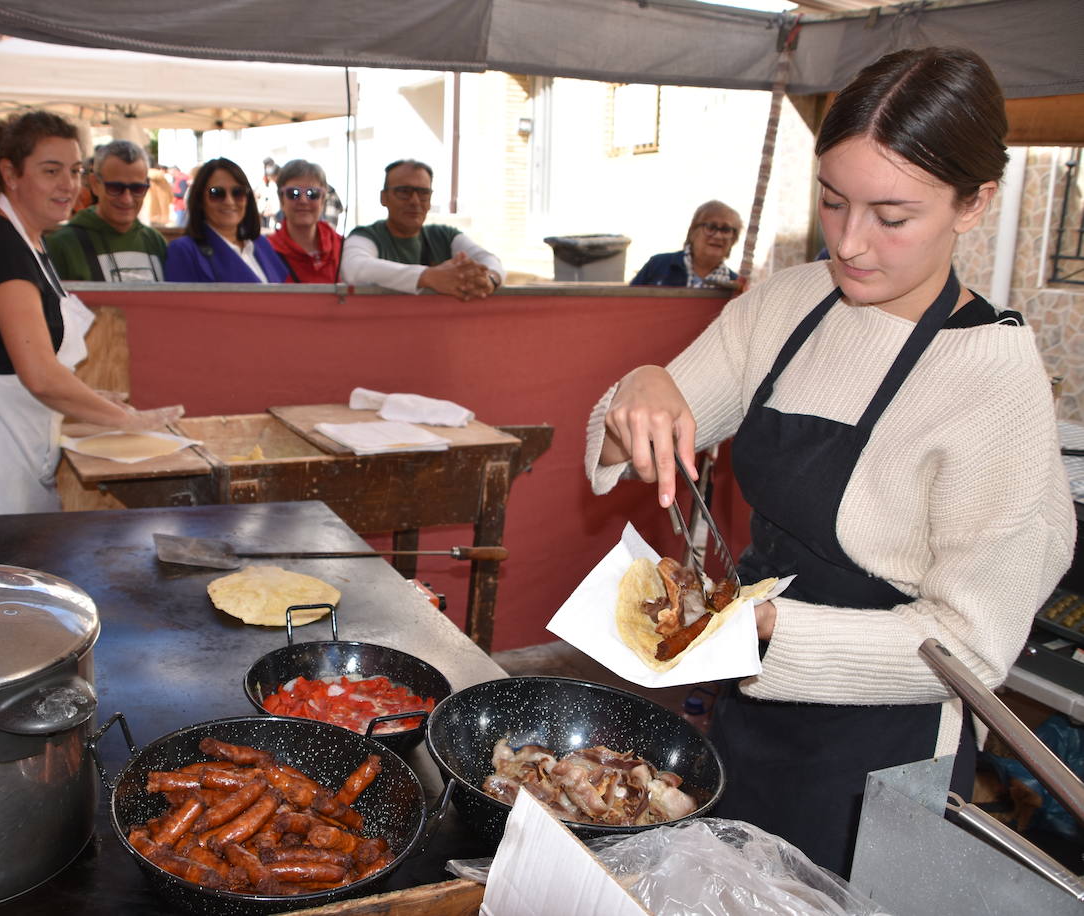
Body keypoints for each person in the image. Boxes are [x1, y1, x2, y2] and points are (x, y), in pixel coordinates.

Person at [584, 47, 1073, 876]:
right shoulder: (789, 302)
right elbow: (630, 446)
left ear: (975, 202)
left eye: (892, 216)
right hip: (753, 709)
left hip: (884, 750)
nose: (849, 244)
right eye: (833, 201)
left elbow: (971, 648)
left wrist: (764, 625)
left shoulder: (993, 379)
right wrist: (641, 387)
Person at [0, 111, 182, 516]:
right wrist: (126, 421)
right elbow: (41, 376)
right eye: (51, 171)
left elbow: (22, 360)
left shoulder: (28, 239)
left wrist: (92, 398)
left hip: (12, 433)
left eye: (76, 170)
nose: (68, 184)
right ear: (10, 173)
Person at [340, 159, 503, 300]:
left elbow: (489, 260)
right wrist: (428, 277)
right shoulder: (366, 236)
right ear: (384, 198)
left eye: (423, 193)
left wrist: (488, 279)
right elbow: (354, 268)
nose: (415, 201)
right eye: (404, 192)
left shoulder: (445, 236)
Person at [45, 140, 166, 282]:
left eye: (137, 189)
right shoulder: (62, 245)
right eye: (115, 188)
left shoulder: (155, 241)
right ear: (95, 184)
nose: (126, 199)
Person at [163, 157, 290, 283]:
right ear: (200, 200)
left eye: (238, 192)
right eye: (216, 193)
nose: (229, 201)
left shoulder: (261, 244)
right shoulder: (184, 252)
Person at [630, 201, 742, 288]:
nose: (718, 236)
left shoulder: (736, 286)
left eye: (726, 230)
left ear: (734, 239)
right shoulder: (658, 266)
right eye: (711, 227)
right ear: (693, 231)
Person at [267, 159, 343, 283]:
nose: (303, 200)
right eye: (293, 193)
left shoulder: (343, 248)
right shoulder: (265, 252)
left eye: (312, 194)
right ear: (281, 200)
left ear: (322, 200)